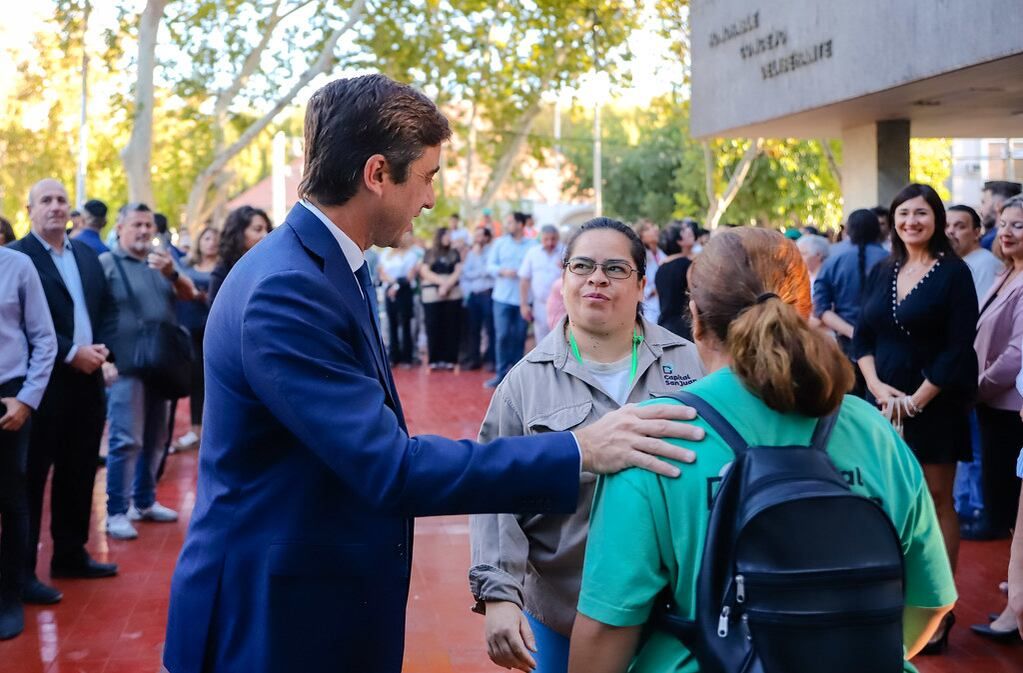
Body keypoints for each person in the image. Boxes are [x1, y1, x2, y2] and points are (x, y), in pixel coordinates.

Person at [162, 74, 704, 673]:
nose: (429, 200)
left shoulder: (325, 269)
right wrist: (580, 450)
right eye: (426, 177)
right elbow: (389, 467)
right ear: (376, 174)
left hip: (311, 599)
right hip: (272, 619)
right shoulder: (288, 289)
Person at [568, 227, 956, 673]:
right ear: (805, 311)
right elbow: (930, 601)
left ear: (695, 317)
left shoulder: (653, 433)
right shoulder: (872, 429)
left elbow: (604, 632)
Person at [470, 217, 705, 673]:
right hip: (565, 615)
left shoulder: (692, 364)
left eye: (615, 269)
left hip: (676, 615)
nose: (597, 278)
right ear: (564, 279)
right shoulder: (524, 383)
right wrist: (498, 594)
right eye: (582, 266)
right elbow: (494, 491)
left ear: (641, 286)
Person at [854, 183, 978, 651]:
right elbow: (862, 336)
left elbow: (959, 345)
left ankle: (939, 612)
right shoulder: (883, 269)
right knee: (883, 498)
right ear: (893, 219)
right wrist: (873, 385)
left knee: (936, 499)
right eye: (903, 213)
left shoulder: (955, 273)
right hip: (881, 406)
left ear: (938, 219)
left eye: (921, 213)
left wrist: (917, 399)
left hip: (934, 405)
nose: (911, 222)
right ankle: (890, 601)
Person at [7, 179, 121, 604]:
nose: (56, 207)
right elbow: (18, 323)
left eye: (61, 200)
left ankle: (71, 555)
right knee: (32, 479)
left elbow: (107, 308)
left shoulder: (89, 256)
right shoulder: (18, 257)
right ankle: (21, 573)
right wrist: (71, 351)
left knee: (79, 471)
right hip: (39, 385)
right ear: (30, 209)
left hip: (89, 382)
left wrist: (105, 354)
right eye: (46, 201)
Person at [100, 203, 197, 541]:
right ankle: (116, 511)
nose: (143, 231)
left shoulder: (163, 264)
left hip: (162, 365)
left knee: (157, 439)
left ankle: (144, 501)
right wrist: (104, 360)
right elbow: (93, 312)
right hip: (127, 364)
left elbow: (192, 295)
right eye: (136, 224)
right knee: (127, 439)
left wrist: (171, 271)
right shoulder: (107, 264)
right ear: (120, 226)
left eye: (148, 225)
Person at [970, 195, 1023, 640]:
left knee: (1010, 501)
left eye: (1018, 225)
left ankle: (1016, 604)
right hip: (993, 403)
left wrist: (977, 387)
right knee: (1006, 503)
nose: (1006, 232)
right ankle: (1015, 587)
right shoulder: (1008, 273)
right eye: (1003, 223)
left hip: (1009, 406)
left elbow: (1016, 355)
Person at [0, 246, 56, 640]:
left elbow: (44, 339)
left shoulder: (18, 266)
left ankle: (9, 596)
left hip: (10, 396)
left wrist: (27, 399)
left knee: (11, 498)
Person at [813, 209, 888, 396]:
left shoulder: (832, 259)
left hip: (846, 345)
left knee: (848, 404)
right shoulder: (892, 259)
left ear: (848, 230)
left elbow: (821, 309)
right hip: (883, 344)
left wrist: (852, 332)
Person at [173, 226, 220, 452]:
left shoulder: (223, 267)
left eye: (215, 238)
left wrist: (201, 296)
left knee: (211, 380)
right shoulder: (186, 266)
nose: (211, 242)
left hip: (212, 328)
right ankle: (195, 428)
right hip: (189, 329)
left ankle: (210, 429)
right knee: (193, 379)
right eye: (207, 238)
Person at [487, 211, 534, 387]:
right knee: (502, 335)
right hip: (502, 297)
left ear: (521, 225)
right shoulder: (500, 244)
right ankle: (500, 374)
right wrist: (502, 271)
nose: (508, 226)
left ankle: (515, 377)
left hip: (524, 299)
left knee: (519, 336)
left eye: (511, 222)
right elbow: (490, 266)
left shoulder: (532, 245)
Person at [208, 205, 272, 303]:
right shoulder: (223, 272)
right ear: (239, 233)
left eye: (267, 229)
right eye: (258, 229)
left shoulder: (271, 266)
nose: (265, 235)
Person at [419, 226, 463, 369]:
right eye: (446, 235)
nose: (449, 238)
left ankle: (451, 359)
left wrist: (447, 285)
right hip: (432, 294)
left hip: (452, 294)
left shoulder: (454, 253)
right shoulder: (430, 253)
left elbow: (457, 271)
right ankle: (434, 360)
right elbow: (424, 271)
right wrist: (441, 282)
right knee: (433, 325)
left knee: (451, 326)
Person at [379, 231, 420, 367]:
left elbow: (409, 276)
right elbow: (382, 273)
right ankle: (393, 357)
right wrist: (392, 284)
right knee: (392, 324)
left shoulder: (412, 255)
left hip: (404, 292)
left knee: (406, 324)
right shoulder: (385, 255)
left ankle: (407, 357)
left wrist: (395, 286)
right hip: (389, 292)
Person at [519, 224, 564, 345]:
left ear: (557, 238)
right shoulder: (533, 253)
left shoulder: (565, 252)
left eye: (553, 239)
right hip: (540, 305)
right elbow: (524, 279)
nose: (550, 243)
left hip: (561, 306)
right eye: (546, 239)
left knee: (561, 341)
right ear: (541, 239)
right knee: (542, 342)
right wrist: (523, 305)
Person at [946, 204, 1001, 301]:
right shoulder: (953, 262)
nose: (950, 231)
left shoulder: (986, 264)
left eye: (960, 226)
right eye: (946, 226)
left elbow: (980, 310)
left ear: (976, 233)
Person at [459, 226, 496, 371]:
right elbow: (466, 273)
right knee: (473, 329)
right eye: (476, 235)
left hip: (488, 294)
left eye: (481, 235)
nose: (478, 238)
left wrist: (477, 271)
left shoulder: (492, 252)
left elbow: (489, 271)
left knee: (490, 329)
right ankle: (474, 359)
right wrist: (480, 272)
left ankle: (491, 360)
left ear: (486, 238)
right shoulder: (470, 254)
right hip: (473, 296)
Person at [655, 220, 695, 340]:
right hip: (684, 329)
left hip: (663, 328)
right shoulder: (688, 265)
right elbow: (694, 296)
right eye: (683, 230)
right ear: (679, 241)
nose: (689, 231)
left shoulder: (661, 268)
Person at [980, 180, 1022, 250]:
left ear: (999, 205)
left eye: (984, 202)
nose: (981, 209)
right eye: (1003, 224)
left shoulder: (989, 241)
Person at [635, 220, 663, 324]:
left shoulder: (662, 254)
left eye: (653, 226)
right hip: (649, 310)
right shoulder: (641, 259)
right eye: (648, 229)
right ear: (641, 235)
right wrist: (654, 289)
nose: (654, 230)